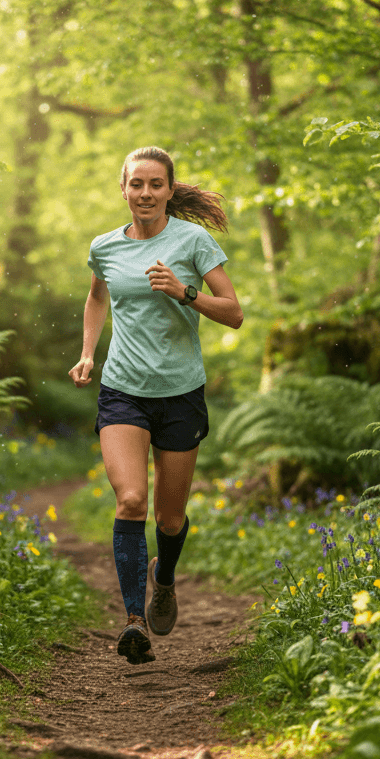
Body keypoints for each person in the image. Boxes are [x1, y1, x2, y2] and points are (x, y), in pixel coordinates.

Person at [68, 146, 242, 665]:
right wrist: (86, 354)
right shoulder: (105, 246)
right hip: (123, 390)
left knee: (169, 519)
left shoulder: (192, 240)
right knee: (129, 502)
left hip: (181, 393)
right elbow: (98, 296)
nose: (145, 193)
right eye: (136, 184)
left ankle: (163, 578)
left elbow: (234, 313)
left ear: (169, 190)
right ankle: (133, 620)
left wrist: (184, 293)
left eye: (155, 184)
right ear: (122, 189)